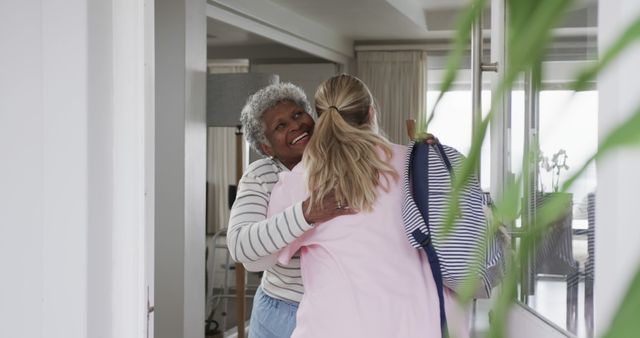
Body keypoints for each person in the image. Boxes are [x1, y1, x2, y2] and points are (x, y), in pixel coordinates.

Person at [267, 74, 469, 338]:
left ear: (322, 120)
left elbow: (266, 254)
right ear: (371, 113)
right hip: (425, 325)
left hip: (338, 328)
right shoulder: (420, 162)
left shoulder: (300, 180)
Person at [227, 82, 355, 338]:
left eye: (298, 114)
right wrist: (307, 213)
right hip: (281, 309)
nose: (295, 125)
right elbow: (240, 245)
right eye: (280, 126)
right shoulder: (261, 175)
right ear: (266, 148)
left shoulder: (346, 159)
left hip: (340, 308)